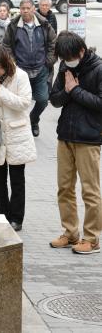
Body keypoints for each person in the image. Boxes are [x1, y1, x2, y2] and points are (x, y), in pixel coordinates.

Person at [49, 31, 102, 254]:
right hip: (65, 135)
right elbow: (54, 99)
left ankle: (92, 238)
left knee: (90, 191)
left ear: (81, 50)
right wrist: (69, 92)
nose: (67, 61)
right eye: (63, 58)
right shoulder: (64, 67)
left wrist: (76, 90)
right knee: (64, 188)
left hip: (88, 138)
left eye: (70, 56)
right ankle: (70, 233)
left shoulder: (98, 69)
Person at [0, 43, 36, 231]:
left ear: (6, 62)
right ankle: (3, 215)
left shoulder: (20, 76)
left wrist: (0, 91)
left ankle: (17, 218)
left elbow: (23, 103)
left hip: (18, 133)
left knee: (17, 179)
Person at [2, 0, 56, 137]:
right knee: (20, 102)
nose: (25, 11)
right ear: (20, 10)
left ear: (33, 9)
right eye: (22, 8)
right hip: (21, 71)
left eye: (28, 8)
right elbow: (6, 46)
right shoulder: (13, 26)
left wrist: (49, 61)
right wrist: (13, 64)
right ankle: (21, 127)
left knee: (43, 100)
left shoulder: (44, 24)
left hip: (41, 69)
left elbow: (53, 43)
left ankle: (34, 119)